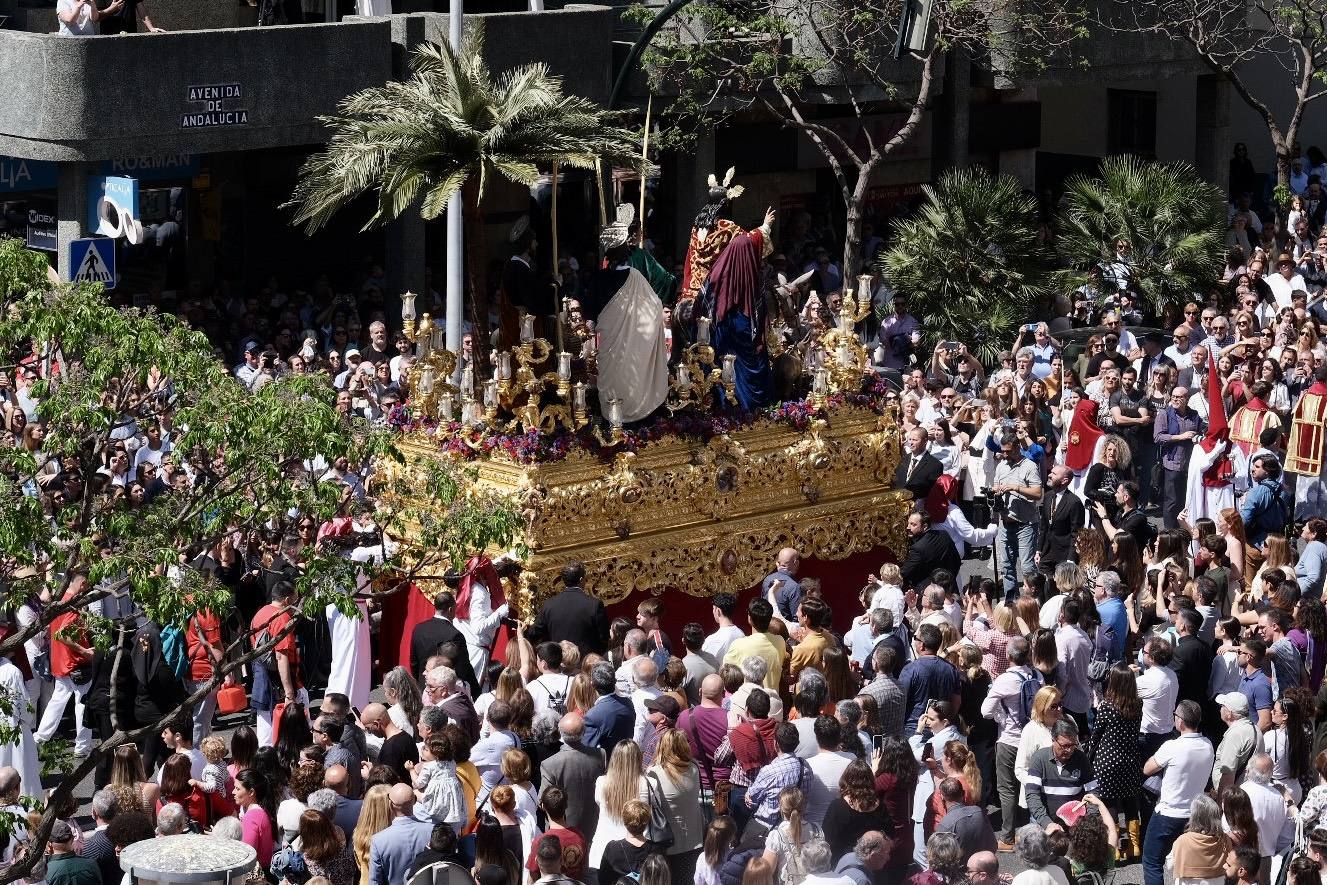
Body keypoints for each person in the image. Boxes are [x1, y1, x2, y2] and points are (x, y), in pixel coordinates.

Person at [1141, 701, 1215, 885]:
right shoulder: (1207, 745)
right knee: (1186, 863)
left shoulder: (1171, 746)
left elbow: (1147, 769)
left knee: (1152, 861)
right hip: (1193, 816)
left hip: (1167, 814)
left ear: (1180, 721)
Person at [539, 712, 606, 838]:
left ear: (560, 733)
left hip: (565, 830)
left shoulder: (549, 764)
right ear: (584, 732)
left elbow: (544, 801)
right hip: (595, 826)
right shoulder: (600, 755)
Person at [992, 432, 1043, 595]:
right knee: (1006, 566)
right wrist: (994, 491)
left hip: (1025, 524)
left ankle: (1033, 602)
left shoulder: (1029, 466)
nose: (1004, 454)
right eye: (1003, 451)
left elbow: (1037, 493)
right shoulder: (1001, 466)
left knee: (1027, 567)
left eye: (1008, 451)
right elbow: (995, 487)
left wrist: (1016, 487)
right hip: (1005, 523)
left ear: (1017, 448)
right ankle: (1011, 602)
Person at [1025, 718, 1097, 829]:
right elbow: (1032, 795)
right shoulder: (1039, 758)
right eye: (1064, 746)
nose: (1069, 750)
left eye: (1073, 745)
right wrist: (1047, 823)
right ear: (1053, 740)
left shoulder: (1082, 759)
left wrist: (1090, 819)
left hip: (1075, 825)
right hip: (1043, 823)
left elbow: (1093, 792)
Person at [527, 561, 610, 655]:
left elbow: (533, 633)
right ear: (582, 579)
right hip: (586, 664)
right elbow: (604, 637)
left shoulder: (549, 605)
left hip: (559, 663)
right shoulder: (594, 605)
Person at [1155, 386, 1203, 528]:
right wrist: (1180, 437)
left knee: (1185, 499)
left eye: (1179, 397)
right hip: (1172, 463)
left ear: (1187, 399)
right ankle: (1169, 532)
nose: (1175, 399)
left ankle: (1183, 530)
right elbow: (1158, 437)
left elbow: (1201, 432)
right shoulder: (1164, 414)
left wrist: (1197, 437)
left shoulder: (1194, 415)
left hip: (1189, 464)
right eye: (1173, 396)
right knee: (1172, 500)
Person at [368, 784, 433, 885]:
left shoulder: (378, 840)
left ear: (390, 804)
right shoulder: (432, 831)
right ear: (415, 801)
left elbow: (375, 881)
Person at [935, 774, 998, 857]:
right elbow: (993, 844)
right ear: (963, 793)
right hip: (980, 866)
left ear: (942, 797)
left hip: (958, 869)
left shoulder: (945, 825)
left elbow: (941, 859)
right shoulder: (979, 812)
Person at [900, 510, 961, 591]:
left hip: (929, 592)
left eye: (913, 524)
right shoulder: (944, 534)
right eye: (908, 523)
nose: (908, 527)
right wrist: (949, 579)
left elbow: (904, 572)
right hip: (950, 587)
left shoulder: (918, 548)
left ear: (925, 526)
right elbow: (957, 560)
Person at [1212, 692, 1258, 797]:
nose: (1220, 709)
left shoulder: (1235, 735)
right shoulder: (1255, 728)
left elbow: (1228, 775)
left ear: (1229, 713)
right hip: (1245, 795)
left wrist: (1221, 805)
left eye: (1222, 706)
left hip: (1233, 799)